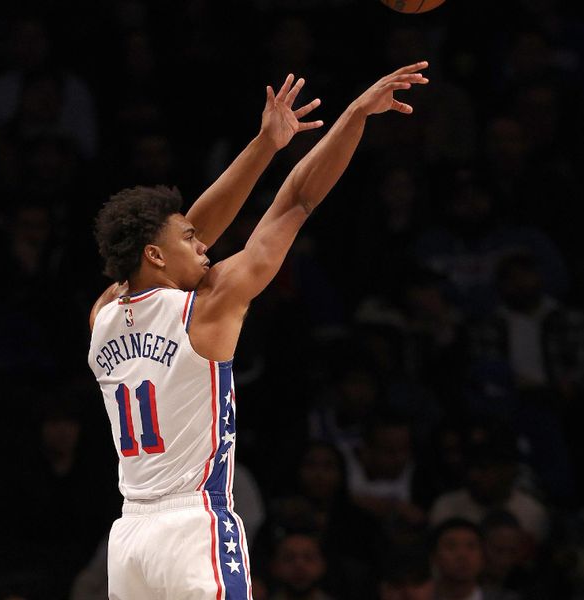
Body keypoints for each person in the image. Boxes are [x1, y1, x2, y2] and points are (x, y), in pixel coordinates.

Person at [88, 62, 429, 599]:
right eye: (190, 239)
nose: (205, 243)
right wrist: (356, 116)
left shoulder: (104, 312)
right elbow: (297, 200)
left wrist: (266, 144)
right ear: (155, 254)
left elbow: (184, 232)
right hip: (191, 525)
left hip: (129, 539)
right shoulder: (208, 305)